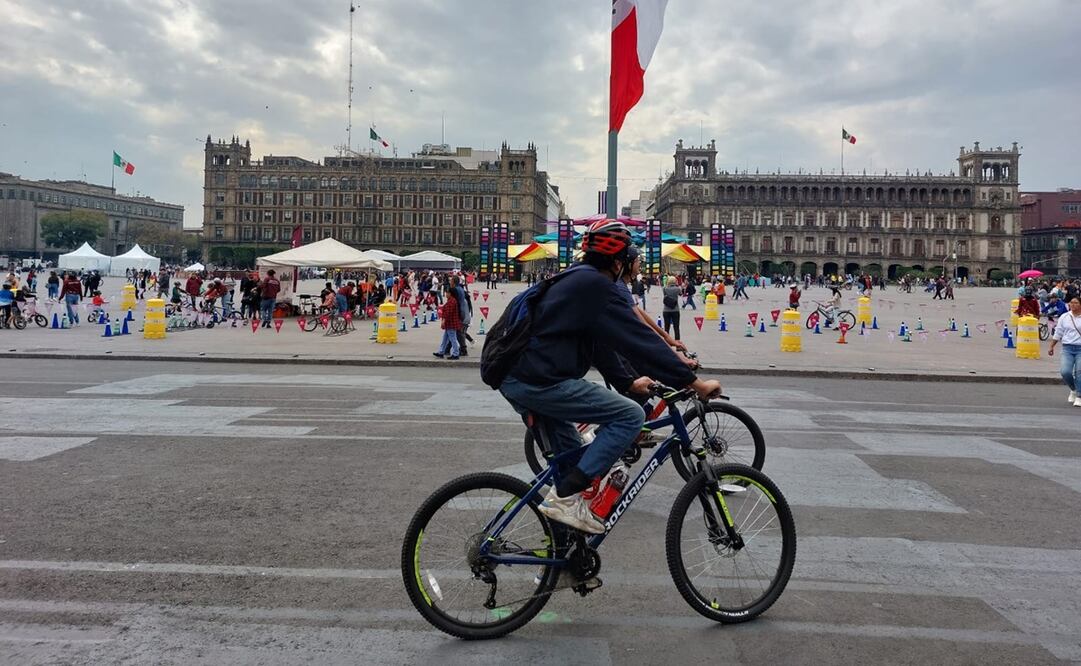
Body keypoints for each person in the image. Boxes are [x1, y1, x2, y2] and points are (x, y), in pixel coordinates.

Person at [498, 220, 720, 534]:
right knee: (630, 415)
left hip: (520, 376)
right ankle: (565, 498)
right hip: (536, 380)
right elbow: (637, 341)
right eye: (634, 260)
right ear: (618, 262)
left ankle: (565, 559)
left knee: (570, 467)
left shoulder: (578, 280)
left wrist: (628, 382)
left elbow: (600, 340)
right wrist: (694, 383)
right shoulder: (598, 286)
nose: (637, 266)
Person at [1048, 296, 1081, 407]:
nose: (1072, 305)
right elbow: (1058, 332)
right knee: (1065, 372)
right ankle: (1074, 389)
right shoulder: (1064, 317)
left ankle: (1079, 396)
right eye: (1071, 303)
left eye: (1076, 303)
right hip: (1067, 348)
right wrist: (1051, 346)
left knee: (1079, 372)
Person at [433, 283, 461, 360]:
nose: (445, 294)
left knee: (453, 339)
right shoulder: (451, 300)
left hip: (451, 323)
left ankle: (456, 353)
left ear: (450, 293)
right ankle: (441, 352)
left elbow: (448, 312)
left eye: (447, 292)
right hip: (450, 323)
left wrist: (443, 321)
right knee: (445, 338)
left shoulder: (452, 301)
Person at [662, 274, 682, 340]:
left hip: (666, 310)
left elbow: (665, 295)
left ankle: (667, 342)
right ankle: (678, 343)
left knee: (666, 327)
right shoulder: (677, 289)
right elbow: (681, 294)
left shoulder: (664, 288)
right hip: (675, 309)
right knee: (676, 327)